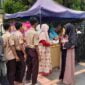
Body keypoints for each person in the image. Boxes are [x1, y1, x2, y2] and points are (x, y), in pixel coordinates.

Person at [24, 17, 39, 85]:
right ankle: (34, 82)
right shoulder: (35, 33)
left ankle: (27, 79)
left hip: (27, 49)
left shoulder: (26, 32)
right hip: (33, 50)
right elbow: (36, 45)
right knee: (35, 67)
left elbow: (25, 41)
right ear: (35, 23)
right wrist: (39, 54)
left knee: (29, 65)